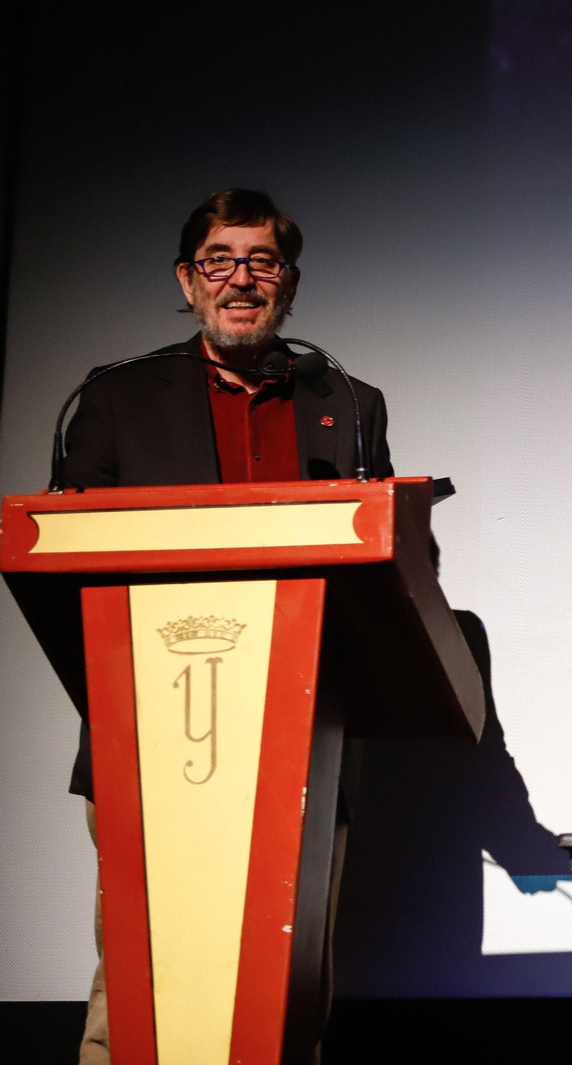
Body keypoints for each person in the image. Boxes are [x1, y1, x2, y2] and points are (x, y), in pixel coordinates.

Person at [60, 188, 392, 1065]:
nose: (241, 280)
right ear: (187, 278)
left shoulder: (350, 402)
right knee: (141, 967)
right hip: (147, 725)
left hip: (303, 728)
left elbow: (389, 566)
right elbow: (61, 557)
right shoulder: (113, 401)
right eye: (220, 261)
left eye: (262, 261)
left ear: (289, 281)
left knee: (292, 972)